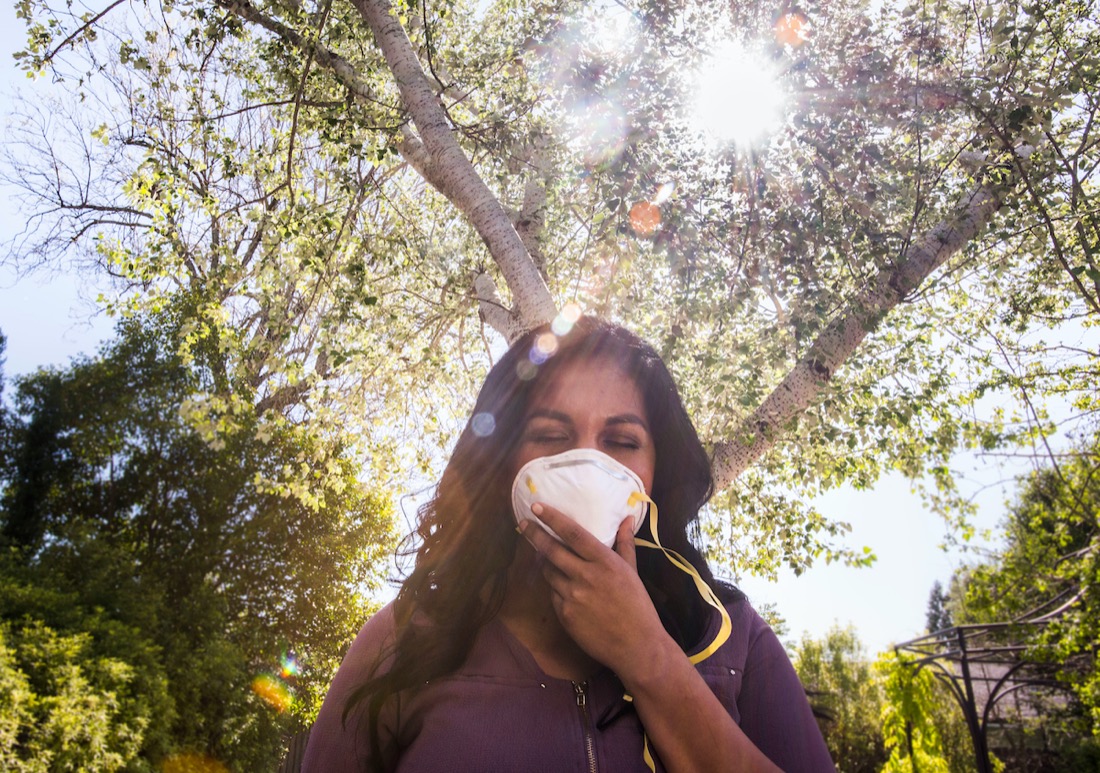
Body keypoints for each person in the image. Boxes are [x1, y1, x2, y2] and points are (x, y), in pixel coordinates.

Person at [301, 317, 834, 772]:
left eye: (622, 442)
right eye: (551, 436)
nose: (586, 465)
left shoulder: (736, 638)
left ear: (657, 471)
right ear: (503, 463)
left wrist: (646, 655)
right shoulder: (405, 639)